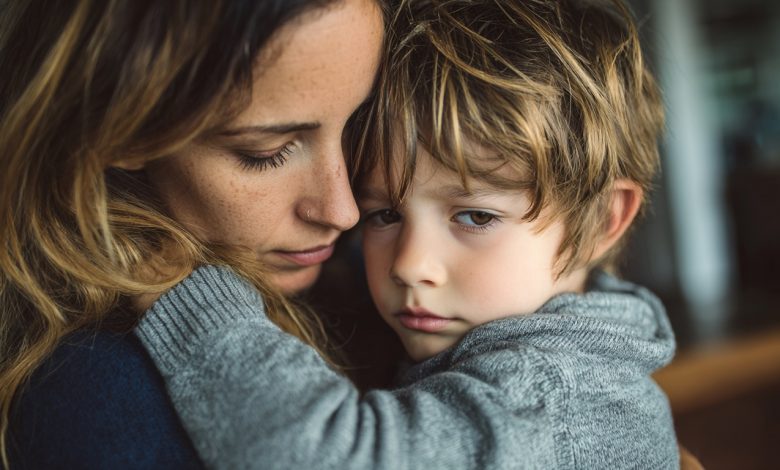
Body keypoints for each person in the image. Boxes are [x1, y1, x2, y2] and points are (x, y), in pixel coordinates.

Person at [133, 0, 680, 468]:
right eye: (384, 215)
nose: (408, 264)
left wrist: (186, 295)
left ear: (605, 221)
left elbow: (328, 455)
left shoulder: (555, 392)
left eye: (475, 217)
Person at [1, 0, 384, 467]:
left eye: (361, 125)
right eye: (267, 152)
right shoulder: (100, 395)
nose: (343, 211)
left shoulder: (383, 276)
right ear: (123, 130)